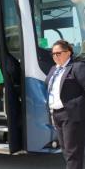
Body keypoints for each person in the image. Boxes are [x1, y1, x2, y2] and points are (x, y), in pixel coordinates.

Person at [45, 40, 85, 169]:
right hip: (56, 114)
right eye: (53, 54)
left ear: (68, 52)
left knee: (73, 152)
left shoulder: (77, 67)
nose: (55, 56)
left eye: (58, 53)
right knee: (66, 151)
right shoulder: (53, 69)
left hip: (71, 115)